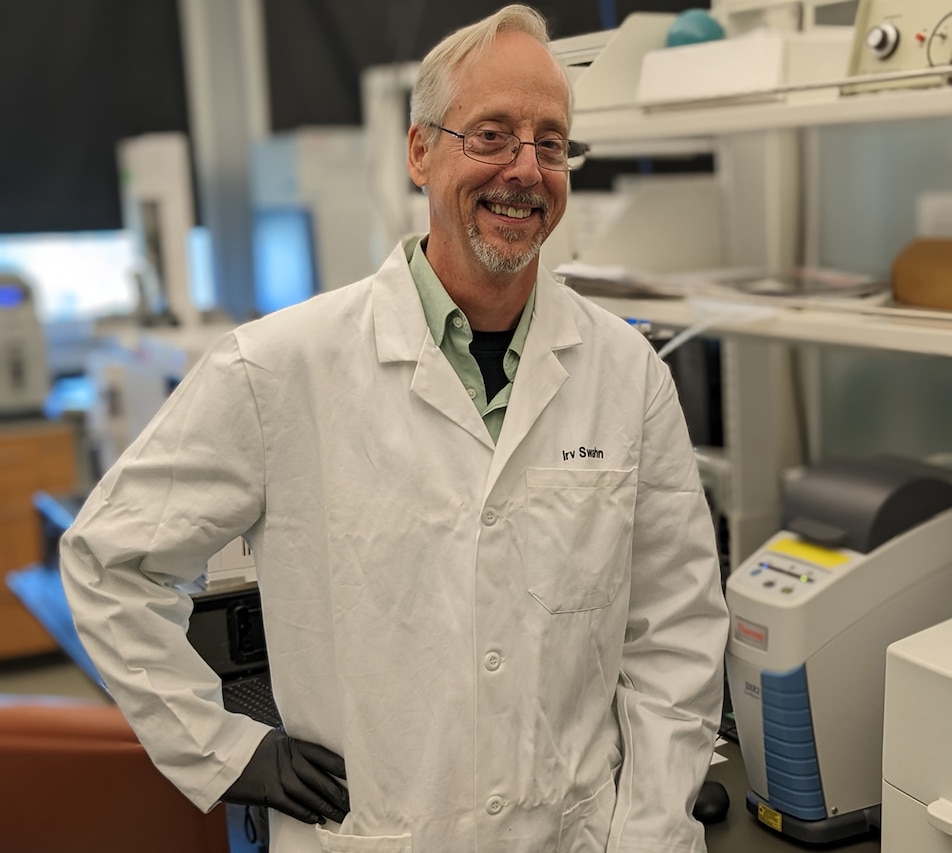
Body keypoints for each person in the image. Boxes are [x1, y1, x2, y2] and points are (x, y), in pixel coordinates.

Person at [59, 5, 730, 851]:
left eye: (550, 142)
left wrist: (650, 835)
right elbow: (108, 561)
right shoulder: (277, 367)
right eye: (491, 135)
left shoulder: (628, 375)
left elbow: (675, 632)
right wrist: (229, 752)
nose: (525, 170)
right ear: (420, 151)